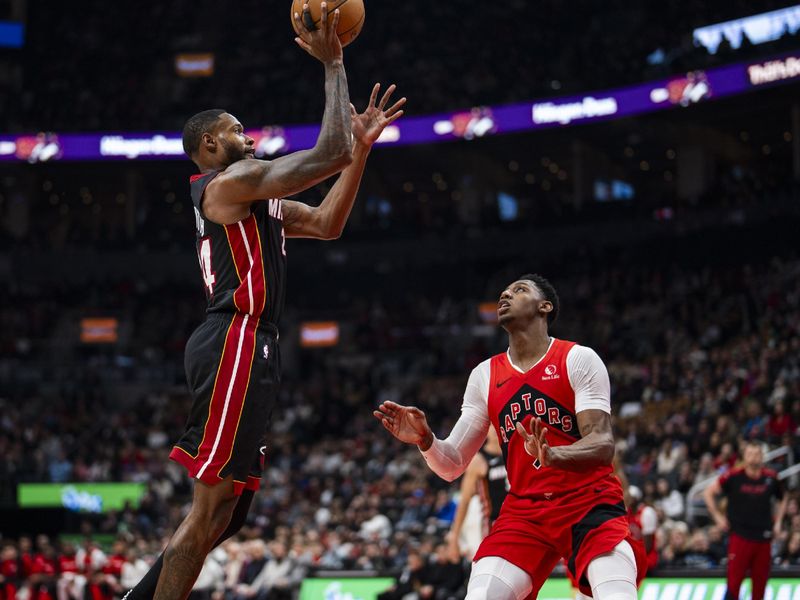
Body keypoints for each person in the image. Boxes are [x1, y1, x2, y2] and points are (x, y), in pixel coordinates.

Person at [123, 5, 406, 599]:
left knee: (231, 515)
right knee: (207, 512)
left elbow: (329, 222)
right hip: (233, 338)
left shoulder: (260, 200)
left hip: (256, 344)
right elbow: (325, 155)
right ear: (208, 144)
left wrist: (361, 151)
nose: (249, 137)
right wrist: (334, 65)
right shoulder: (224, 187)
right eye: (237, 131)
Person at [374, 274, 646, 600]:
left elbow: (602, 444)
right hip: (525, 511)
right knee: (482, 594)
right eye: (503, 292)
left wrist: (555, 455)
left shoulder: (577, 359)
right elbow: (452, 465)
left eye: (518, 290)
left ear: (544, 306)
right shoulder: (485, 375)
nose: (506, 296)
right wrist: (427, 440)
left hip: (588, 503)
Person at [703, 441, 788, 600]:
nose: (753, 458)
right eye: (750, 454)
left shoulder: (771, 477)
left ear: (762, 457)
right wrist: (718, 517)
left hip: (764, 538)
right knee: (734, 585)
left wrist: (778, 522)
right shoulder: (734, 476)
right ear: (744, 456)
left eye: (757, 454)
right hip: (739, 536)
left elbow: (783, 498)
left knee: (760, 587)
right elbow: (708, 493)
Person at [446, 428, 508, 562]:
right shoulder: (479, 460)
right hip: (493, 525)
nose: (495, 429)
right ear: (486, 430)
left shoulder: (514, 452)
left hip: (519, 520)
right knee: (493, 567)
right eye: (492, 425)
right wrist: (454, 537)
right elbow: (464, 501)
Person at [627, 486, 659, 572]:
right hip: (632, 556)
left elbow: (647, 546)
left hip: (646, 558)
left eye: (630, 497)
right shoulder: (626, 513)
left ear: (636, 499)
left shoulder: (647, 512)